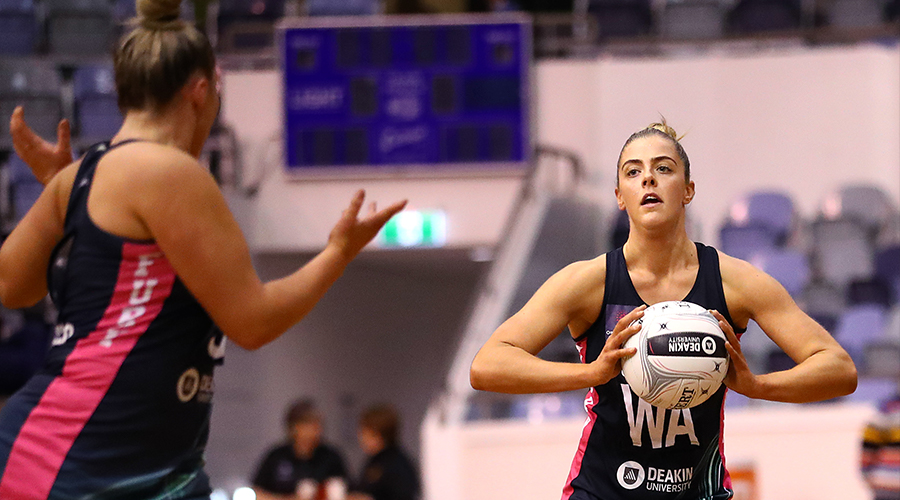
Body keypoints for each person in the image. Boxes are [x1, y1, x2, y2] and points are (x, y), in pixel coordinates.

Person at [0, 0, 406, 497]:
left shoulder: (81, 175)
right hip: (86, 464)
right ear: (200, 91)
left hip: (101, 460)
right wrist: (337, 254)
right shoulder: (171, 172)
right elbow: (253, 321)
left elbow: (12, 286)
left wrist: (57, 193)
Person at [469, 120, 858, 499]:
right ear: (620, 195)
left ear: (688, 190)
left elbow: (839, 369)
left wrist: (757, 387)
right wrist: (591, 372)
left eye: (663, 169)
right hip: (600, 491)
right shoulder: (587, 282)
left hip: (700, 491)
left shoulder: (735, 282)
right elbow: (487, 365)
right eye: (633, 171)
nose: (648, 179)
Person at [252, 400, 349, 500]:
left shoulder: (331, 456)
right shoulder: (276, 456)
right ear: (294, 427)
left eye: (318, 426)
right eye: (308, 425)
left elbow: (348, 491)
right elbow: (257, 492)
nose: (315, 432)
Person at [348, 403, 420, 500]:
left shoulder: (398, 463)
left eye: (365, 433)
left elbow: (404, 495)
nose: (361, 438)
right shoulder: (374, 460)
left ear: (378, 435)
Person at [861, 388, 900, 499]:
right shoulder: (880, 419)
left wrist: (870, 478)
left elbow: (866, 456)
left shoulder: (880, 417)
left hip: (884, 483)